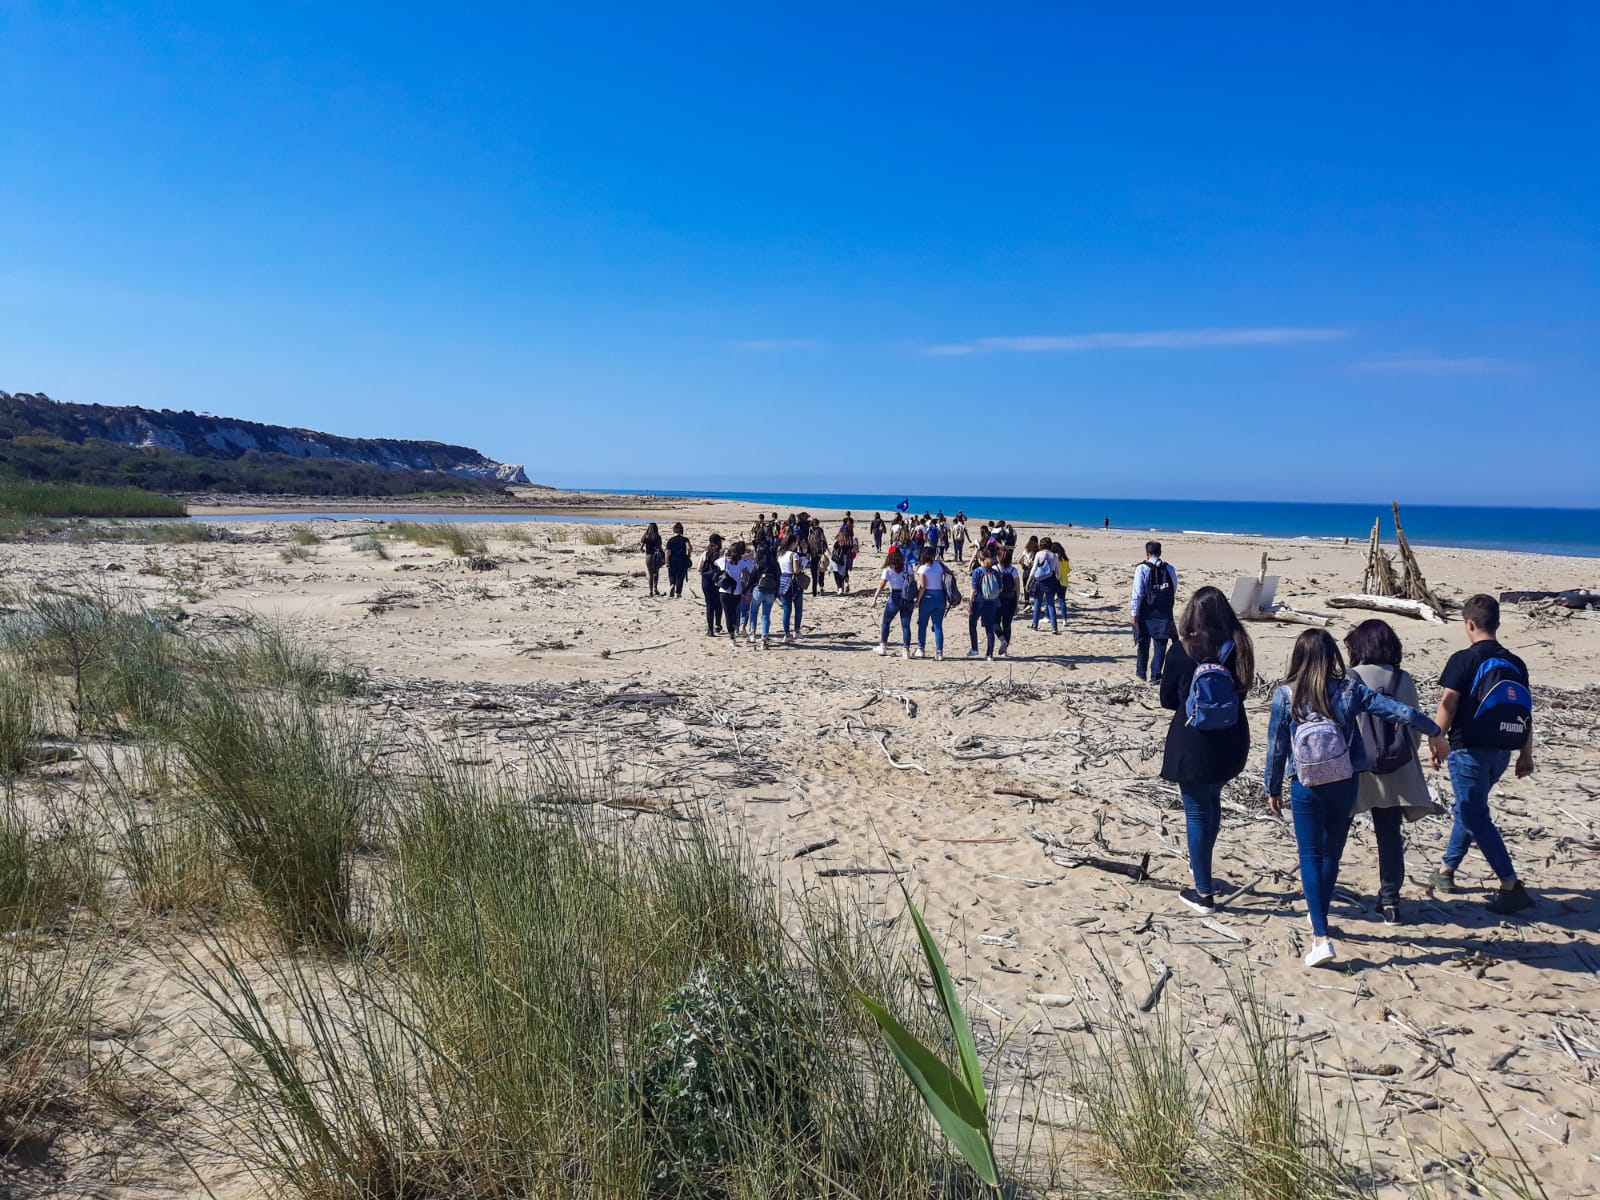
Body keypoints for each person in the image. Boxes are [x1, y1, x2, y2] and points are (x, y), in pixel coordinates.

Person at [1264, 629, 1441, 968]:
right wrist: (1434, 730)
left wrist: (1273, 787)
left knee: (1309, 853)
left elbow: (1276, 749)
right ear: (1332, 655)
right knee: (1330, 852)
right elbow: (1398, 712)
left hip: (1306, 784)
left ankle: (1320, 935)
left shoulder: (1286, 695)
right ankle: (1322, 917)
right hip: (1345, 782)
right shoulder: (1349, 690)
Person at [1426, 595, 1535, 915]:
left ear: (1469, 624)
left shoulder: (1464, 659)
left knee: (1475, 815)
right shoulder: (1516, 663)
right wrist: (1525, 754)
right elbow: (1525, 711)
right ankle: (1446, 871)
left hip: (1469, 752)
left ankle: (1511, 885)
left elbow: (1448, 704)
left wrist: (1436, 741)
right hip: (1502, 751)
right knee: (1468, 809)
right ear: (1497, 624)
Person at [1160, 587, 1256, 914]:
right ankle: (1202, 867)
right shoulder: (1239, 647)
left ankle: (1203, 892)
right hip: (1231, 738)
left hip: (1193, 740)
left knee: (1198, 811)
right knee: (1211, 802)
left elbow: (1167, 699)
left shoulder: (1182, 650)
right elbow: (1243, 690)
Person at [1344, 619, 1443, 925]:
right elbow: (1413, 729)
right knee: (1389, 837)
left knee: (1334, 834)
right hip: (1395, 769)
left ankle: (1320, 896)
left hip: (1355, 769)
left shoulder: (1350, 677)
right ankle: (1391, 904)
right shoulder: (1403, 679)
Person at [1131, 541, 1177, 682]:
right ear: (1160, 553)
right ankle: (1156, 675)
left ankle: (1141, 671)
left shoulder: (1142, 569)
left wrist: (1134, 613)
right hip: (1164, 611)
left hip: (1146, 610)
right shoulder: (1169, 568)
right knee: (1160, 644)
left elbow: (1138, 593)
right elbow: (1173, 588)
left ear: (1147, 553)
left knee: (1143, 642)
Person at [873, 547, 914, 657]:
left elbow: (882, 584)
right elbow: (912, 581)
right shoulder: (907, 566)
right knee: (906, 625)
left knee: (886, 621)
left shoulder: (888, 569)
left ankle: (883, 646)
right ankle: (906, 650)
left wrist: (875, 598)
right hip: (907, 596)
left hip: (895, 595)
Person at [913, 546, 952, 660]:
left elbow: (923, 586)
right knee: (938, 626)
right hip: (940, 597)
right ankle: (939, 652)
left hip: (928, 597)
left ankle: (921, 648)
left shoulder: (922, 569)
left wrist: (918, 601)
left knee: (922, 624)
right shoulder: (939, 566)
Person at [967, 547, 1003, 660]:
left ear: (979, 559)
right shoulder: (995, 572)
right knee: (989, 628)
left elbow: (973, 589)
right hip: (991, 602)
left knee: (972, 624)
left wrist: (970, 602)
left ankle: (974, 649)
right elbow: (1000, 589)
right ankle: (989, 654)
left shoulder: (977, 572)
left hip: (978, 601)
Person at [746, 538, 782, 649]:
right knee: (766, 615)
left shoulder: (758, 564)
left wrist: (746, 590)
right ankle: (764, 637)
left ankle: (752, 633)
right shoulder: (775, 565)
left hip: (759, 590)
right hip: (770, 592)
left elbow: (751, 579)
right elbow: (778, 579)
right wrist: (776, 593)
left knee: (754, 611)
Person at [714, 540, 751, 645]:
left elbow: (715, 562)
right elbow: (746, 576)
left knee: (727, 613)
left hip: (724, 590)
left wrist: (723, 555)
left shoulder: (724, 561)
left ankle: (732, 636)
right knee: (734, 611)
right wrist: (746, 589)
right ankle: (735, 629)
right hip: (737, 591)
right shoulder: (741, 562)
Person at [778, 533, 807, 643]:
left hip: (782, 581)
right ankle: (796, 631)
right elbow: (796, 570)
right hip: (793, 582)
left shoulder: (780, 554)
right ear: (793, 543)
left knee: (786, 609)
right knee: (798, 608)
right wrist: (803, 563)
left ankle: (786, 633)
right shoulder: (793, 555)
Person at [1029, 539, 1060, 633]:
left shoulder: (1039, 554)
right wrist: (1058, 579)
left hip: (1040, 580)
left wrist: (1029, 581)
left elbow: (1034, 568)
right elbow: (1057, 571)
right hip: (1051, 579)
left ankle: (1035, 625)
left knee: (1037, 603)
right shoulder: (1054, 556)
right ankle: (1054, 627)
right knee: (1050, 604)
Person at [996, 546, 1021, 655]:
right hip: (1010, 599)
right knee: (1007, 624)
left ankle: (1002, 639)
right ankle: (1005, 648)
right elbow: (1017, 588)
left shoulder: (994, 569)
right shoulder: (1013, 570)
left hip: (997, 599)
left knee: (994, 622)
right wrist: (1017, 603)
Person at [697, 535, 725, 636]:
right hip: (718, 580)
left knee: (709, 604)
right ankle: (718, 624)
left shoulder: (705, 553)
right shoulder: (721, 553)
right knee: (718, 603)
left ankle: (710, 629)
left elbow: (698, 569)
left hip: (706, 580)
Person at [665, 523, 692, 599]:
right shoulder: (685, 539)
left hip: (672, 560)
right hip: (682, 560)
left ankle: (672, 585)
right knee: (680, 577)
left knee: (671, 575)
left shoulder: (671, 540)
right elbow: (689, 548)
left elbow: (667, 552)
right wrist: (689, 555)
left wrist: (667, 562)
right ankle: (678, 593)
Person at [640, 522, 665, 596]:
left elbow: (641, 548)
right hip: (656, 555)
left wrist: (643, 550)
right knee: (656, 573)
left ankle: (650, 591)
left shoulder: (646, 536)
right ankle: (655, 588)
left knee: (650, 574)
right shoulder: (658, 537)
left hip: (648, 556)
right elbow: (660, 547)